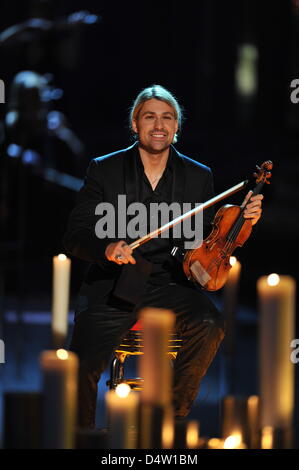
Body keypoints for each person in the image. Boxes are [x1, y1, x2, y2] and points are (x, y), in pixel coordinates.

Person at [63, 84, 263, 428]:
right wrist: (107, 247)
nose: (159, 125)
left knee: (210, 325)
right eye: (150, 117)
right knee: (79, 367)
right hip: (113, 285)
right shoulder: (104, 169)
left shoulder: (198, 175)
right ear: (135, 124)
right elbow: (76, 235)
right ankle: (84, 436)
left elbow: (201, 241)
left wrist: (241, 222)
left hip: (170, 283)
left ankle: (167, 422)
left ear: (176, 127)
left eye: (167, 117)